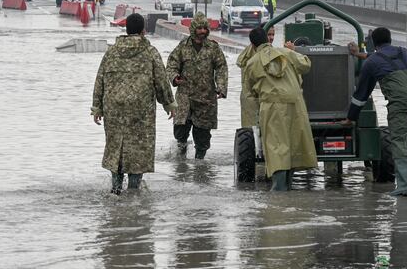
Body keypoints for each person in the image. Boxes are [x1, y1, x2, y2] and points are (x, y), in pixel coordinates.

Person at [92, 13, 177, 194]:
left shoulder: (112, 52)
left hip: (113, 110)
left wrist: (97, 107)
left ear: (126, 28)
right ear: (143, 31)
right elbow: (161, 80)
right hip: (141, 112)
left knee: (116, 147)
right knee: (138, 150)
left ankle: (115, 190)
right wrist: (169, 104)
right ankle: (133, 192)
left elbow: (100, 79)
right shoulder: (149, 52)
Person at [345, 27, 407, 196]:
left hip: (400, 103)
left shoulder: (371, 63)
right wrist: (360, 54)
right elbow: (384, 61)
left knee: (398, 143)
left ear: (373, 42)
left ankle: (403, 187)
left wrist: (351, 117)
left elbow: (361, 95)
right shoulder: (404, 52)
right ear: (390, 39)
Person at [243, 27, 317, 191]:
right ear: (267, 39)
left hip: (271, 107)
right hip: (296, 104)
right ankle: (288, 187)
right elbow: (306, 65)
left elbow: (250, 91)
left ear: (253, 45)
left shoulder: (252, 63)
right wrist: (294, 51)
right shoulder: (286, 53)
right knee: (294, 143)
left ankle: (278, 190)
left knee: (276, 146)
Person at [166, 12, 228, 160]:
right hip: (184, 97)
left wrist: (221, 86)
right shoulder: (182, 47)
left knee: (202, 137)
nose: (202, 31)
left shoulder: (213, 48)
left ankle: (199, 165)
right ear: (193, 29)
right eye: (199, 28)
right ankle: (181, 164)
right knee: (180, 132)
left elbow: (221, 68)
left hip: (205, 99)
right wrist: (175, 77)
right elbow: (171, 65)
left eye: (205, 28)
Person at [236, 24, 276, 160]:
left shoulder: (268, 51)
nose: (271, 38)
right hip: (252, 98)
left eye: (273, 35)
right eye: (268, 35)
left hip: (264, 98)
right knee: (251, 133)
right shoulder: (253, 52)